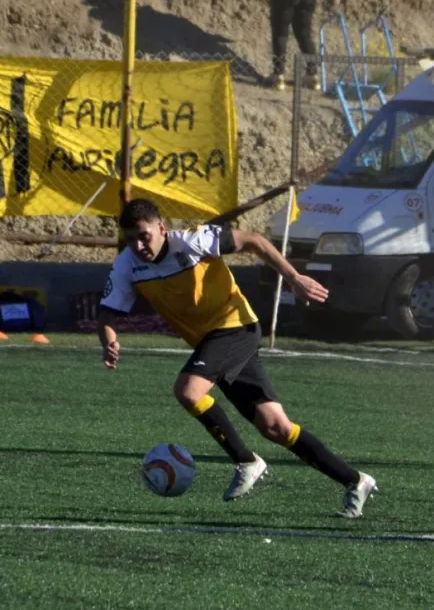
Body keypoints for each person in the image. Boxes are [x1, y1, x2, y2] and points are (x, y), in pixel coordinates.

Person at [97, 199, 377, 517]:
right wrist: (109, 341)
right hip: (213, 344)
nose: (138, 245)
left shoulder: (193, 241)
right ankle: (355, 481)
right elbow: (107, 311)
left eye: (144, 236)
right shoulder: (127, 265)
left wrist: (293, 277)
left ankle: (246, 461)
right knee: (275, 427)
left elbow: (254, 240)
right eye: (131, 239)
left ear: (161, 228)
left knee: (188, 390)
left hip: (235, 326)